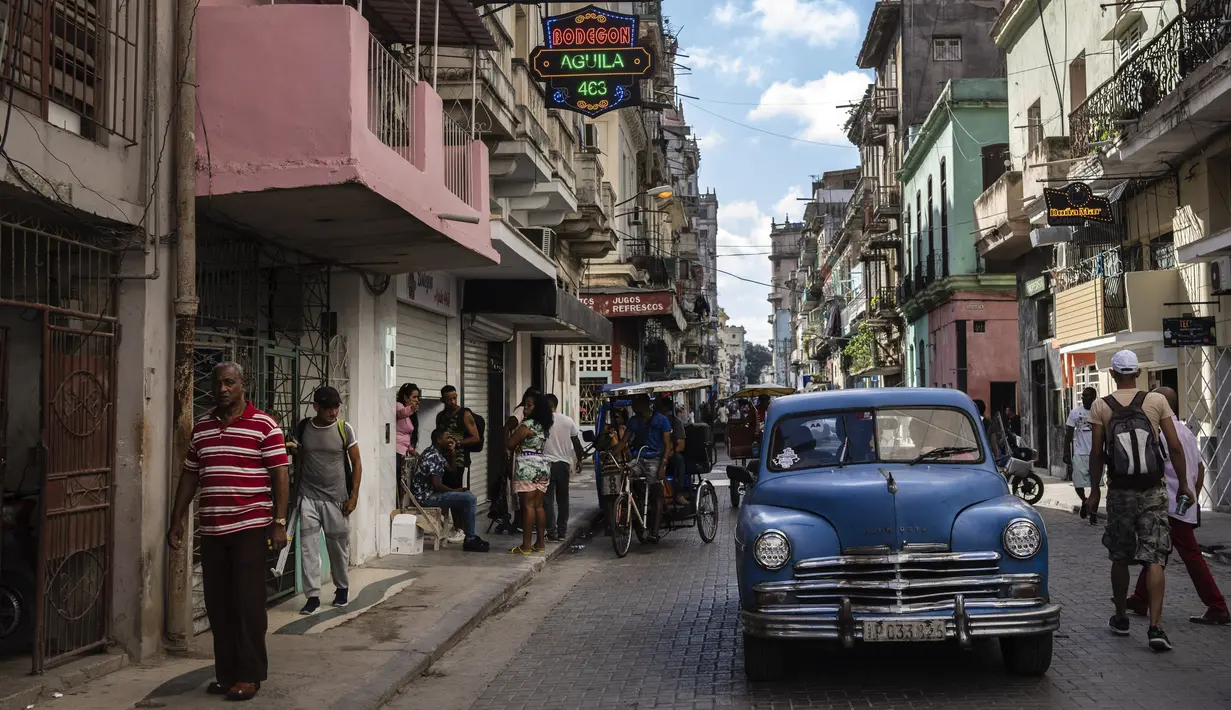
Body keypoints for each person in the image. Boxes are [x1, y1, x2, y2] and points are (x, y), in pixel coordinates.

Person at [167, 362, 289, 702]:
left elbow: (280, 476)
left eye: (229, 382)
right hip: (213, 529)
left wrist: (278, 523)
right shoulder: (202, 428)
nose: (222, 389)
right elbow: (191, 475)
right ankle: (226, 674)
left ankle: (249, 675)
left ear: (242, 385)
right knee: (218, 604)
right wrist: (177, 518)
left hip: (250, 527)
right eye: (218, 383)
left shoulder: (265, 425)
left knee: (248, 603)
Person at [1087, 350, 1194, 652]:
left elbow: (1096, 453)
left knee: (1120, 556)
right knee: (1155, 556)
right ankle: (1156, 627)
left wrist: (1094, 492)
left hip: (1120, 493)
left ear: (1113, 374)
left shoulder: (1100, 406)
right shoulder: (1157, 401)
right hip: (1152, 490)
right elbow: (1173, 446)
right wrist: (1184, 485)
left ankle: (1121, 617)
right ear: (1138, 372)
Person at [1126, 387, 1229, 626]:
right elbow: (1200, 468)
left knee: (1187, 556)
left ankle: (1217, 605)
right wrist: (1192, 494)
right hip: (1182, 504)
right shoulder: (1185, 431)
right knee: (1156, 552)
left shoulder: (1161, 433)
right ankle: (1140, 598)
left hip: (1169, 505)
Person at [295, 386, 362, 615]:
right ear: (316, 407)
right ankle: (312, 597)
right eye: (329, 408)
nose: (334, 412)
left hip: (336, 499)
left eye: (336, 407)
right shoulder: (304, 427)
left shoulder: (345, 429)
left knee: (337, 547)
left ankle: (341, 588)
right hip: (309, 496)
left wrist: (353, 497)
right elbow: (300, 457)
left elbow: (357, 463)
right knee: (308, 548)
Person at [411, 429, 490, 552]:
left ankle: (470, 535)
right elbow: (436, 484)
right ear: (439, 440)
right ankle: (470, 538)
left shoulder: (437, 454)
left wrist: (452, 452)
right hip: (425, 498)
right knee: (470, 498)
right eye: (447, 437)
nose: (451, 439)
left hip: (431, 494)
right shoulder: (432, 456)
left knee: (468, 495)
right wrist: (454, 490)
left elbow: (452, 469)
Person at [507, 392, 554, 554]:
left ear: (537, 408)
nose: (524, 408)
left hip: (527, 466)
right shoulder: (544, 425)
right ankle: (540, 543)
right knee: (539, 506)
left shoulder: (527, 425)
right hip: (542, 465)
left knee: (527, 506)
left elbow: (510, 444)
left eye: (528, 405)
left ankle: (526, 545)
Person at [623, 394, 673, 539]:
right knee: (626, 474)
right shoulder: (633, 421)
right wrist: (610, 454)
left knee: (656, 491)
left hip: (655, 459)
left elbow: (667, 444)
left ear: (644, 404)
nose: (632, 406)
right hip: (638, 458)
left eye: (635, 403)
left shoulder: (661, 420)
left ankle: (654, 532)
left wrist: (663, 464)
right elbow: (623, 442)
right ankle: (634, 503)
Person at [436, 385, 480, 543]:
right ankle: (449, 526)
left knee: (455, 492)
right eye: (449, 399)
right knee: (444, 492)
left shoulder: (464, 414)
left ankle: (460, 528)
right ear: (443, 400)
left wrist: (458, 443)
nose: (453, 401)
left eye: (455, 398)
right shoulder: (440, 416)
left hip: (458, 460)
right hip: (442, 460)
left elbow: (476, 437)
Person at [542, 393, 585, 541]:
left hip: (545, 464)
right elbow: (576, 443)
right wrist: (580, 460)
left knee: (547, 500)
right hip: (563, 465)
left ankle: (551, 531)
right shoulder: (568, 421)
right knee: (563, 499)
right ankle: (562, 531)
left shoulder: (541, 421)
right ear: (556, 404)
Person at [1065, 387, 1100, 525]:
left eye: (1086, 395)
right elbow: (1068, 433)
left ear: (1093, 397)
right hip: (1080, 453)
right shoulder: (1075, 412)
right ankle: (1085, 500)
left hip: (1096, 454)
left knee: (1095, 486)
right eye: (1082, 396)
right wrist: (1066, 451)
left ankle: (1094, 515)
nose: (1083, 398)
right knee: (1078, 483)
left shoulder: (1098, 412)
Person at [656, 396, 689, 506]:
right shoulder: (652, 422)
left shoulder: (675, 422)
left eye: (663, 410)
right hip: (655, 453)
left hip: (670, 454)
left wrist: (668, 454)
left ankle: (679, 493)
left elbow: (681, 445)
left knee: (679, 460)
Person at [395, 383, 421, 502]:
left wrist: (412, 450)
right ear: (405, 397)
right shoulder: (399, 405)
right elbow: (400, 413)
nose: (416, 400)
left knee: (403, 482)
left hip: (404, 450)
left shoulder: (410, 413)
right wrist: (411, 409)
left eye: (417, 397)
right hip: (397, 450)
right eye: (414, 397)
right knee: (398, 480)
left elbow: (406, 436)